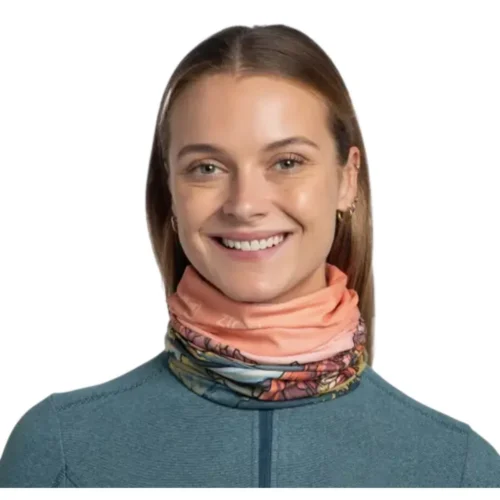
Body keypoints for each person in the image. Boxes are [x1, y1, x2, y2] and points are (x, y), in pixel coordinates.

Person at [0, 23, 499, 489]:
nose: (245, 205)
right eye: (207, 167)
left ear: (347, 179)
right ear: (170, 192)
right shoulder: (59, 456)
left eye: (287, 162)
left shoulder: (461, 471)